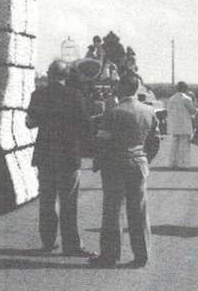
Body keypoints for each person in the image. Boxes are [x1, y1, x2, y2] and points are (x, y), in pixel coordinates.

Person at [26, 60, 96, 257]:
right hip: (68, 154)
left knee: (47, 201)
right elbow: (85, 125)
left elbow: (30, 123)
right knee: (69, 202)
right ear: (66, 75)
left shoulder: (38, 95)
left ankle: (48, 242)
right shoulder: (75, 95)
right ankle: (71, 245)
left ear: (49, 74)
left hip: (45, 154)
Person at [89, 73, 157, 268]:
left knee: (113, 210)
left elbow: (102, 141)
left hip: (115, 164)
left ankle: (109, 256)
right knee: (139, 210)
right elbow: (155, 140)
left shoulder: (114, 112)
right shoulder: (148, 111)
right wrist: (145, 158)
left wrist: (98, 162)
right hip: (139, 163)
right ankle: (142, 255)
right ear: (137, 89)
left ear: (121, 88)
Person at [166, 82, 197, 169]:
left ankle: (172, 163)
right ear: (185, 89)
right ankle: (183, 163)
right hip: (184, 124)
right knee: (184, 144)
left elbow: (169, 110)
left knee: (174, 144)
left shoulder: (171, 98)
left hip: (174, 124)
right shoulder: (187, 99)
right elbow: (192, 111)